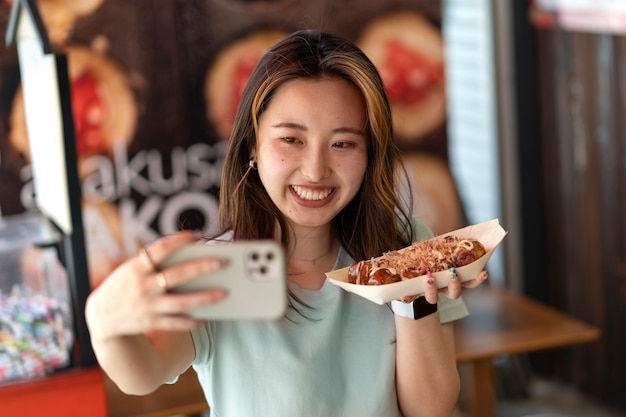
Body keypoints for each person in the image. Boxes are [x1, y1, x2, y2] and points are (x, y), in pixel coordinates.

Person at [85, 29, 489, 417]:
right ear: (252, 147)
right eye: (291, 139)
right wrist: (104, 321)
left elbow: (431, 409)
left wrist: (412, 297)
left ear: (369, 156)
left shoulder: (407, 245)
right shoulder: (217, 269)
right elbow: (143, 376)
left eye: (343, 143)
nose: (315, 170)